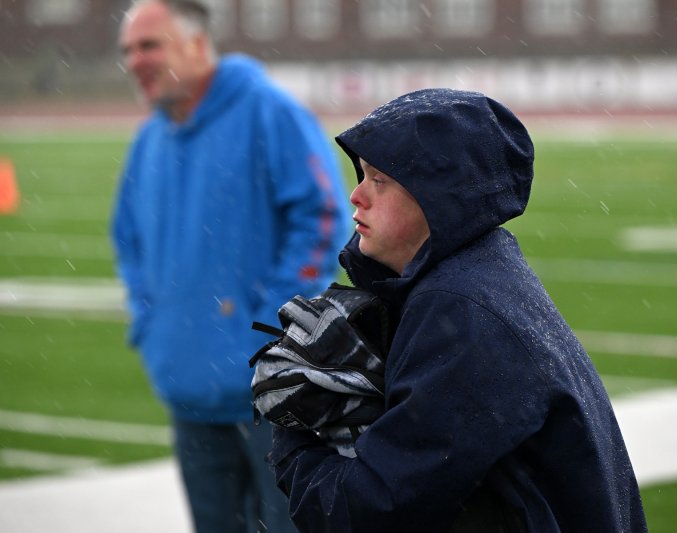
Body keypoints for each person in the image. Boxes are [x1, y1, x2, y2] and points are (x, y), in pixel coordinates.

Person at [266, 88, 648, 532]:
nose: (356, 195)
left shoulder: (460, 311)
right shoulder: (476, 274)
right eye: (362, 176)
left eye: (379, 180)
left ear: (439, 196)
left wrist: (293, 433)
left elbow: (369, 510)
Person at [111, 1, 350, 532]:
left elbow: (324, 221)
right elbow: (128, 241)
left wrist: (267, 335)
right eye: (128, 49)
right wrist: (153, 325)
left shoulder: (271, 113)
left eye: (149, 45)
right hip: (188, 394)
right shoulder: (149, 139)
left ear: (197, 45)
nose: (134, 60)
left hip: (273, 400)